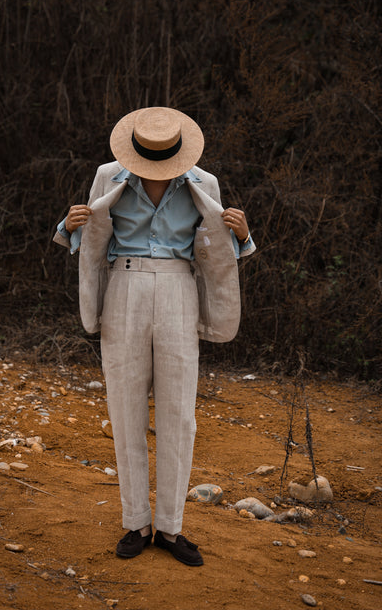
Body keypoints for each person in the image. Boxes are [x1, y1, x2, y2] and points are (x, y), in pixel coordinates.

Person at [54, 107, 255, 566]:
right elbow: (84, 236)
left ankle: (170, 527)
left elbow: (216, 249)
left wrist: (243, 238)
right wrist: (67, 226)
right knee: (124, 408)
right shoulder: (108, 175)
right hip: (123, 286)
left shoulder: (204, 183)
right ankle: (136, 522)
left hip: (179, 291)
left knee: (179, 413)